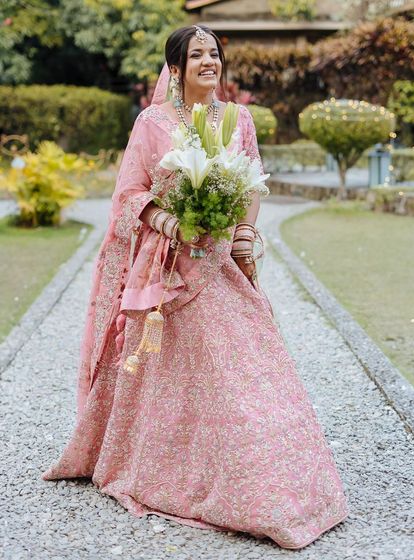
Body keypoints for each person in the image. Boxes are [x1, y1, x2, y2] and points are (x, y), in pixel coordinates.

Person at [41, 25, 349, 549]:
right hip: (169, 272)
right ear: (176, 68)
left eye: (215, 54)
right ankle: (184, 471)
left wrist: (246, 234)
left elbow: (252, 178)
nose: (209, 62)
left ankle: (281, 486)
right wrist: (172, 223)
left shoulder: (238, 118)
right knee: (191, 374)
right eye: (197, 55)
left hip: (223, 264)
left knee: (247, 371)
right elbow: (129, 194)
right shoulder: (153, 123)